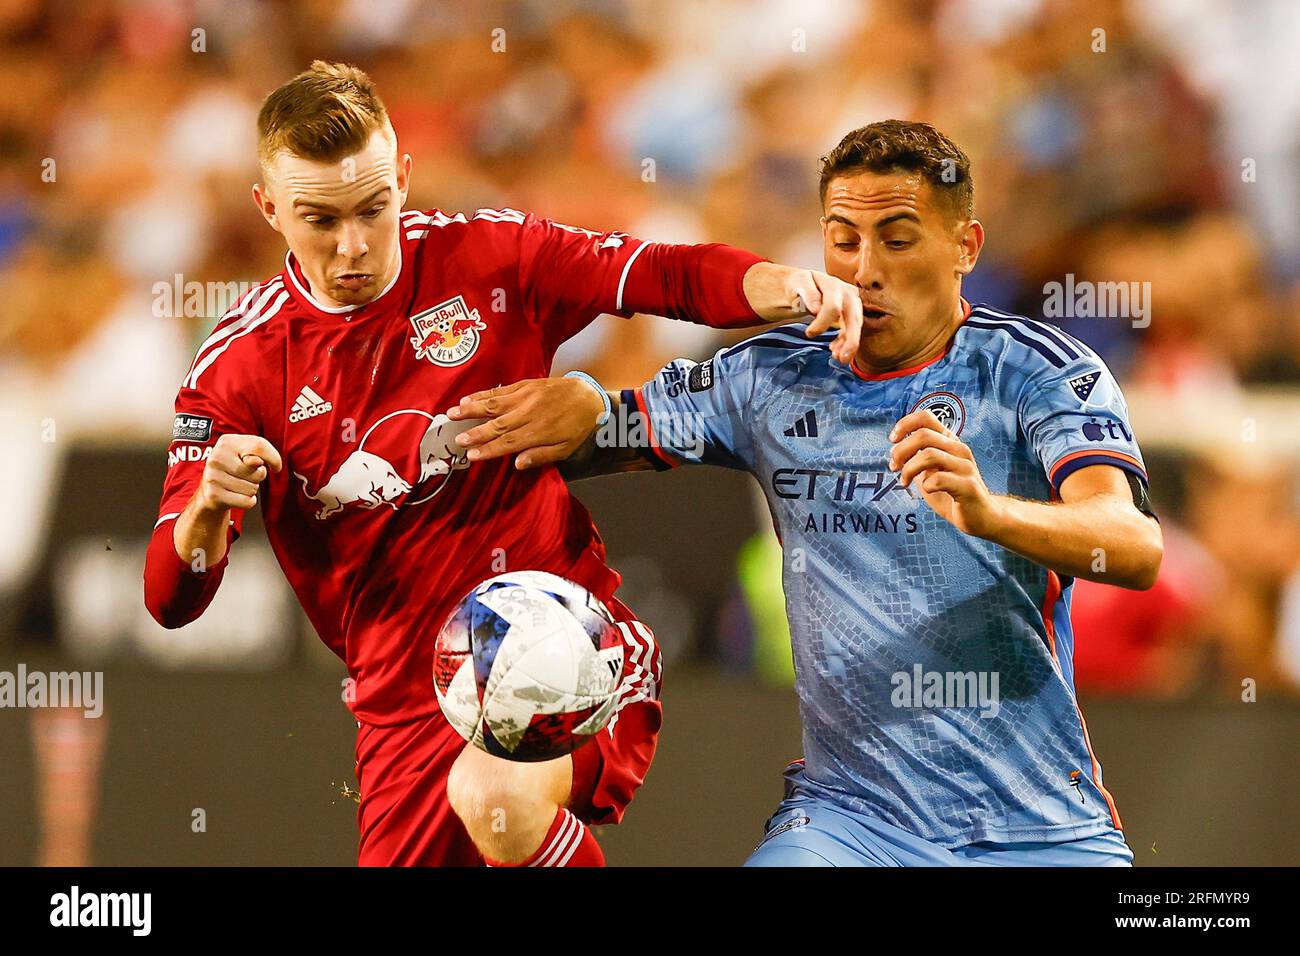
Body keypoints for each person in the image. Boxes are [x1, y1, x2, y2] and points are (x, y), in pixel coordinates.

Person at [142, 61, 865, 867]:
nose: (353, 245)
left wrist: (780, 282)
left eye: (374, 209)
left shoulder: (483, 257)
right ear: (268, 207)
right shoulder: (238, 368)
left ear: (404, 179)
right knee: (481, 806)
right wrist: (208, 508)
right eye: (319, 219)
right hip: (403, 706)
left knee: (497, 798)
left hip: (566, 634)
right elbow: (170, 601)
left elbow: (651, 271)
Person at [454, 120, 1164, 866]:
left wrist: (991, 513)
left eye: (897, 238)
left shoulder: (1035, 370)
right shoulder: (770, 377)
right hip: (849, 824)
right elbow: (596, 430)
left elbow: (1133, 546)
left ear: (966, 247)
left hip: (1041, 824)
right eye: (842, 240)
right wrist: (583, 404)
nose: (864, 270)